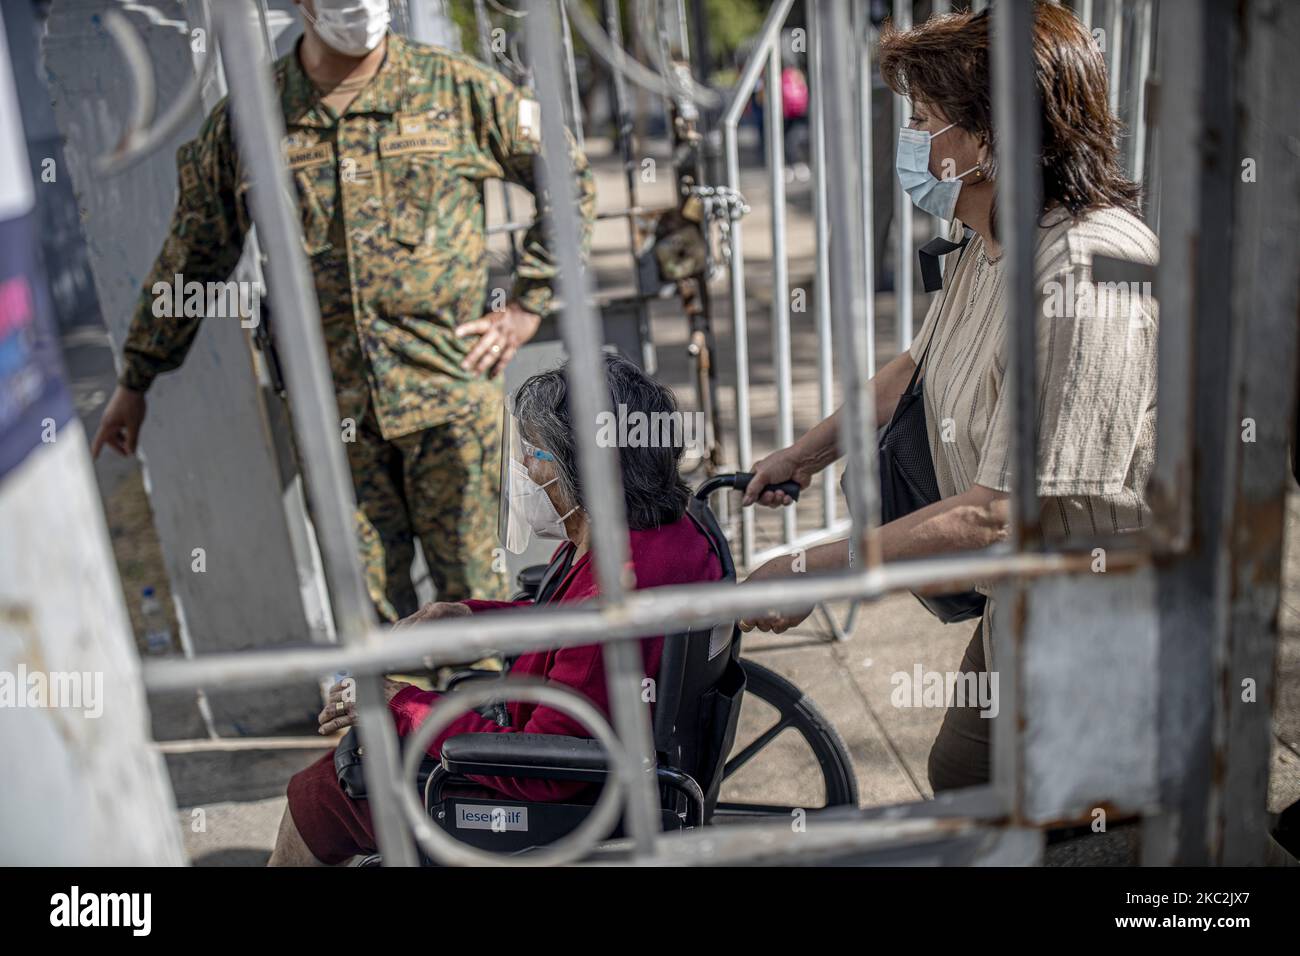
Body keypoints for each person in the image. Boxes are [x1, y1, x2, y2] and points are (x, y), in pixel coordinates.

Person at [739, 3, 1158, 792]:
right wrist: (804, 455)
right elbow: (914, 371)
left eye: (926, 120)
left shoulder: (1087, 273)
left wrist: (811, 567)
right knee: (965, 772)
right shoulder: (994, 241)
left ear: (992, 139)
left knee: (1088, 823)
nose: (912, 140)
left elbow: (996, 512)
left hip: (1106, 621)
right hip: (1026, 601)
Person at [90, 0, 597, 620]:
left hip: (449, 401)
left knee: (476, 606)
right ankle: (398, 714)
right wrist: (136, 377)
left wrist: (525, 306)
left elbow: (566, 174)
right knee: (372, 616)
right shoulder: (252, 117)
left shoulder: (458, 89)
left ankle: (483, 718)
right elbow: (194, 252)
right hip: (333, 415)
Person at [269, 354, 724, 865]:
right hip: (616, 759)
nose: (525, 467)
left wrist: (402, 704)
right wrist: (471, 615)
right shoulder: (662, 532)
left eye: (536, 453)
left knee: (324, 792)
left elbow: (544, 771)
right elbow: (562, 625)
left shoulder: (612, 595)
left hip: (562, 802)